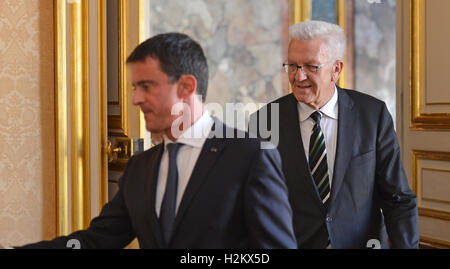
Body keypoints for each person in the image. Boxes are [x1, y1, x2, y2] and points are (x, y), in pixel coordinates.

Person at [10, 33, 296, 249]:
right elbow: (95, 241)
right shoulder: (138, 168)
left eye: (146, 86)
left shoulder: (249, 155)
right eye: (135, 88)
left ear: (186, 87)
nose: (136, 99)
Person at [250, 21, 419, 249]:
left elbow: (397, 198)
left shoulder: (373, 115)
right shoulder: (264, 121)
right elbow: (255, 203)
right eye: (292, 65)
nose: (298, 77)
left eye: (311, 66)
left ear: (336, 69)